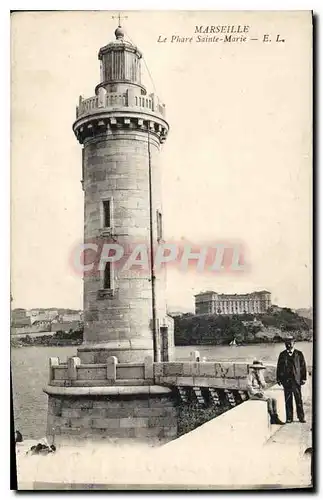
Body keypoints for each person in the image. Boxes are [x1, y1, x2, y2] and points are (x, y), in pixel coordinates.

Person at [276, 337, 307, 423]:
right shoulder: (282, 354)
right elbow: (279, 367)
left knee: (298, 399)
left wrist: (304, 378)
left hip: (296, 381)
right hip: (286, 381)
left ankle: (301, 417)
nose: (288, 345)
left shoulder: (299, 354)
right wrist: (278, 378)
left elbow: (303, 367)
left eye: (290, 343)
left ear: (294, 343)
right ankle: (289, 418)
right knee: (288, 400)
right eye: (286, 343)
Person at [247, 359, 284, 425]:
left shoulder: (260, 375)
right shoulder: (250, 375)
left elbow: (264, 385)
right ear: (254, 368)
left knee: (274, 400)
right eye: (256, 368)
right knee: (269, 400)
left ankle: (275, 417)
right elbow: (249, 386)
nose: (257, 370)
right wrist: (256, 393)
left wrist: (269, 383)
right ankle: (272, 417)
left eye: (259, 368)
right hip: (254, 394)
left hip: (260, 392)